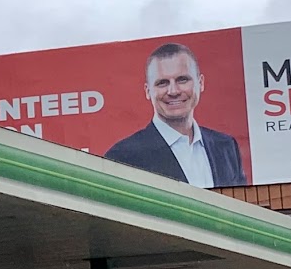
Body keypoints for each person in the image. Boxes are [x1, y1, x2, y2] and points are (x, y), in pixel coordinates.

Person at [103, 42, 247, 187]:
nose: (173, 91)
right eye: (162, 83)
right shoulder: (122, 157)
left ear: (201, 83)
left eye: (182, 80)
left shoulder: (226, 146)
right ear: (148, 91)